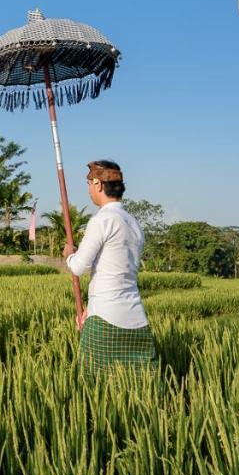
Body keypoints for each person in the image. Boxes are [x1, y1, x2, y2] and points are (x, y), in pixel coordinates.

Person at [63, 160, 157, 374]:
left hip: (106, 320)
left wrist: (70, 255)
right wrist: (91, 308)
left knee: (96, 387)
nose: (88, 189)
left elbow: (78, 267)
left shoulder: (102, 220)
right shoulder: (133, 222)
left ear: (98, 184)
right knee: (142, 385)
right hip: (136, 319)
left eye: (88, 183)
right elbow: (116, 271)